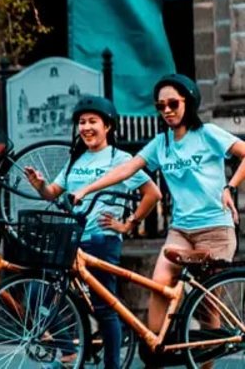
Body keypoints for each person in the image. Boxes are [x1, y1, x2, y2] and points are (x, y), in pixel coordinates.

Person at [72, 74, 245, 342]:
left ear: (188, 101)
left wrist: (230, 187)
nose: (166, 111)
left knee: (207, 308)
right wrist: (86, 189)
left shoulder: (207, 134)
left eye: (173, 104)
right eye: (160, 106)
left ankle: (205, 359)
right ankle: (156, 346)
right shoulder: (161, 143)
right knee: (159, 286)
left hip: (215, 230)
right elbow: (126, 169)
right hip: (180, 231)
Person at [23, 95, 161, 368]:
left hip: (102, 239)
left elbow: (152, 193)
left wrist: (128, 224)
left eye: (92, 122)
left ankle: (112, 364)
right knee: (37, 291)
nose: (86, 127)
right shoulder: (77, 159)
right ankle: (69, 351)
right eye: (81, 122)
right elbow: (54, 193)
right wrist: (39, 185)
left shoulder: (121, 159)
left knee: (103, 306)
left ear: (108, 126)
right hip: (72, 240)